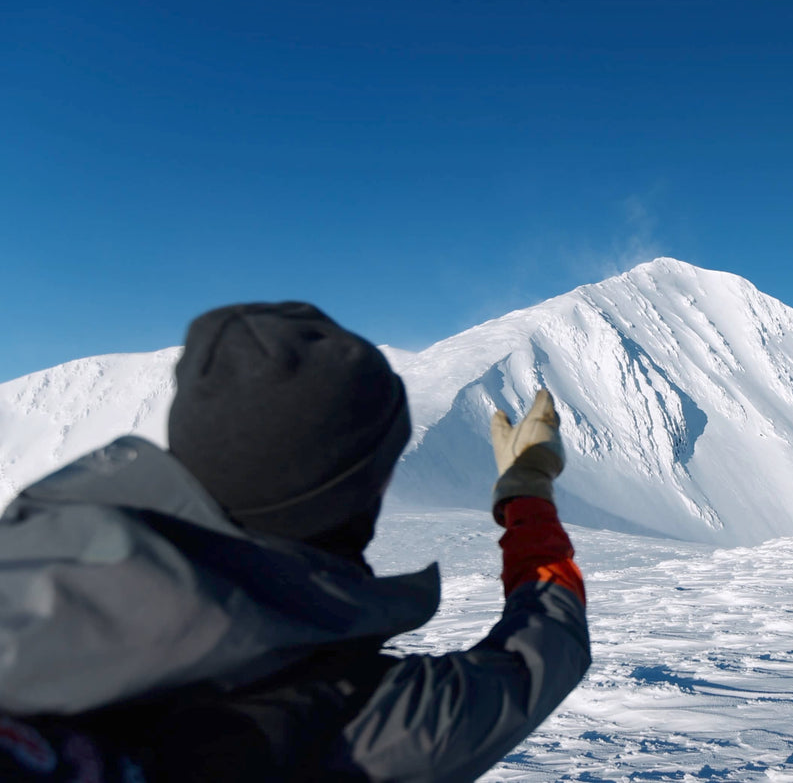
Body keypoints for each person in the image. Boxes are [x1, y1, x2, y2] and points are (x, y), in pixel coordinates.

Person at [0, 302, 589, 782]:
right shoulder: (345, 716)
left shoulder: (26, 568)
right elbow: (539, 653)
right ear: (354, 490)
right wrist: (528, 493)